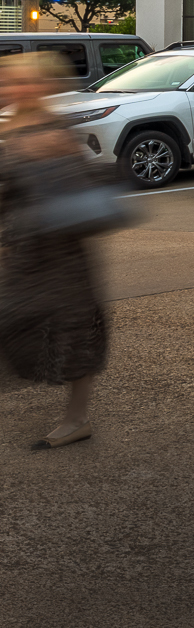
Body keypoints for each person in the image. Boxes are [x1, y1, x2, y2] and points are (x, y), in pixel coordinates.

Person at [0, 51, 110, 450]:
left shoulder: (51, 131)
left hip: (57, 255)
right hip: (21, 250)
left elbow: (72, 194)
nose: (9, 88)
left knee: (72, 331)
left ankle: (77, 419)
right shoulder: (13, 126)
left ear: (42, 86)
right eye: (7, 81)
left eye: (18, 81)